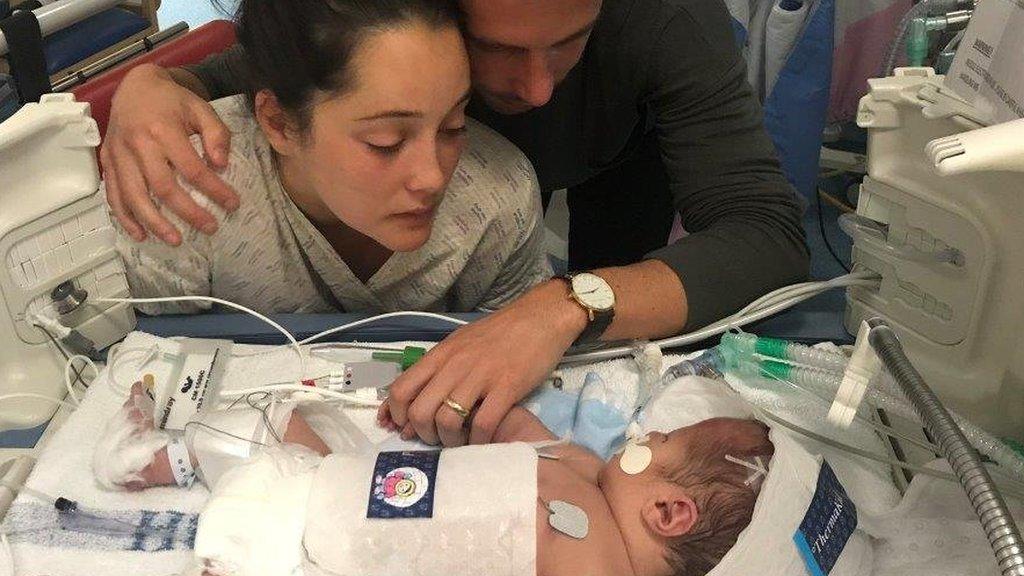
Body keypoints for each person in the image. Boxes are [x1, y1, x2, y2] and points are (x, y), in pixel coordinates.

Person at [101, 0, 810, 447]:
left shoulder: (663, 24)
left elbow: (765, 232)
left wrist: (565, 304)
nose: (536, 89)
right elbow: (291, 59)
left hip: (605, 173)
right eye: (499, 48)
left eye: (569, 40)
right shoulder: (208, 192)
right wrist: (153, 84)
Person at [114, 0, 551, 316]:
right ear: (279, 123)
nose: (433, 178)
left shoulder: (498, 199)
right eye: (386, 141)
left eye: (454, 125)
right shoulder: (185, 192)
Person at [97, 382, 775, 576]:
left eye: (656, 445)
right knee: (280, 420)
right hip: (326, 484)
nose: (642, 435)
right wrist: (457, 402)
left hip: (313, 556)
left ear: (669, 513)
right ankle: (147, 452)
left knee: (257, 451)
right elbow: (511, 427)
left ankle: (151, 456)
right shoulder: (585, 471)